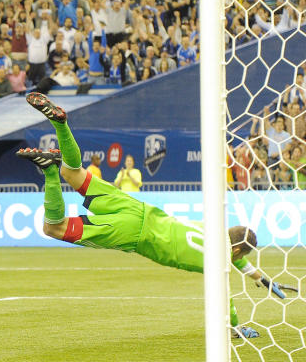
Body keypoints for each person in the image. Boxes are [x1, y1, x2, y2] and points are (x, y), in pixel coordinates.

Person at [17, 92, 296, 339]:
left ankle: (61, 125)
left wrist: (260, 277)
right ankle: (50, 173)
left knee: (73, 172)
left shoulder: (212, 230)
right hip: (132, 233)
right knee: (53, 228)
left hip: (135, 207)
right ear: (235, 250)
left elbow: (233, 254)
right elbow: (226, 296)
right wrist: (235, 327)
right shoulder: (217, 260)